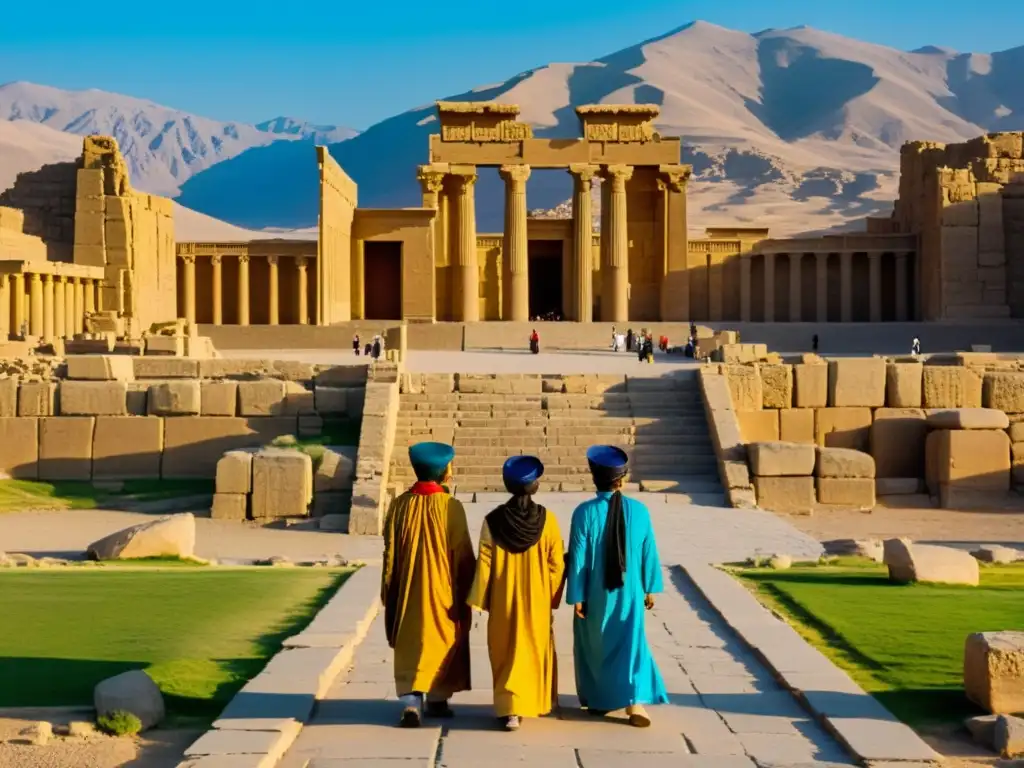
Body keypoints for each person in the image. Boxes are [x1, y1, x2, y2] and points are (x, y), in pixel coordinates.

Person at [566, 445, 668, 727]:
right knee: (631, 640)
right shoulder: (640, 511)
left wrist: (577, 594)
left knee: (595, 644)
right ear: (621, 479)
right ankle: (635, 704)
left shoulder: (584, 513)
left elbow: (578, 558)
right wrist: (649, 587)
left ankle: (601, 698)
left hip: (596, 592)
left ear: (593, 477)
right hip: (630, 590)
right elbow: (649, 551)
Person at [381, 442, 476, 728]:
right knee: (442, 639)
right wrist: (468, 590)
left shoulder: (398, 506)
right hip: (442, 593)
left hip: (407, 592)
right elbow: (462, 555)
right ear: (445, 471)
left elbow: (389, 555)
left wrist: (390, 590)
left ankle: (411, 701)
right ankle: (437, 697)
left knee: (411, 643)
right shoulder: (451, 507)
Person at [467, 456, 565, 732]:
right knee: (532, 650)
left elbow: (484, 563)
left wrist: (480, 600)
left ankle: (510, 709)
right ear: (535, 486)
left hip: (503, 600)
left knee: (505, 652)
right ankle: (534, 702)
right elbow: (556, 565)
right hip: (536, 599)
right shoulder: (548, 520)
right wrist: (550, 597)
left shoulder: (492, 521)